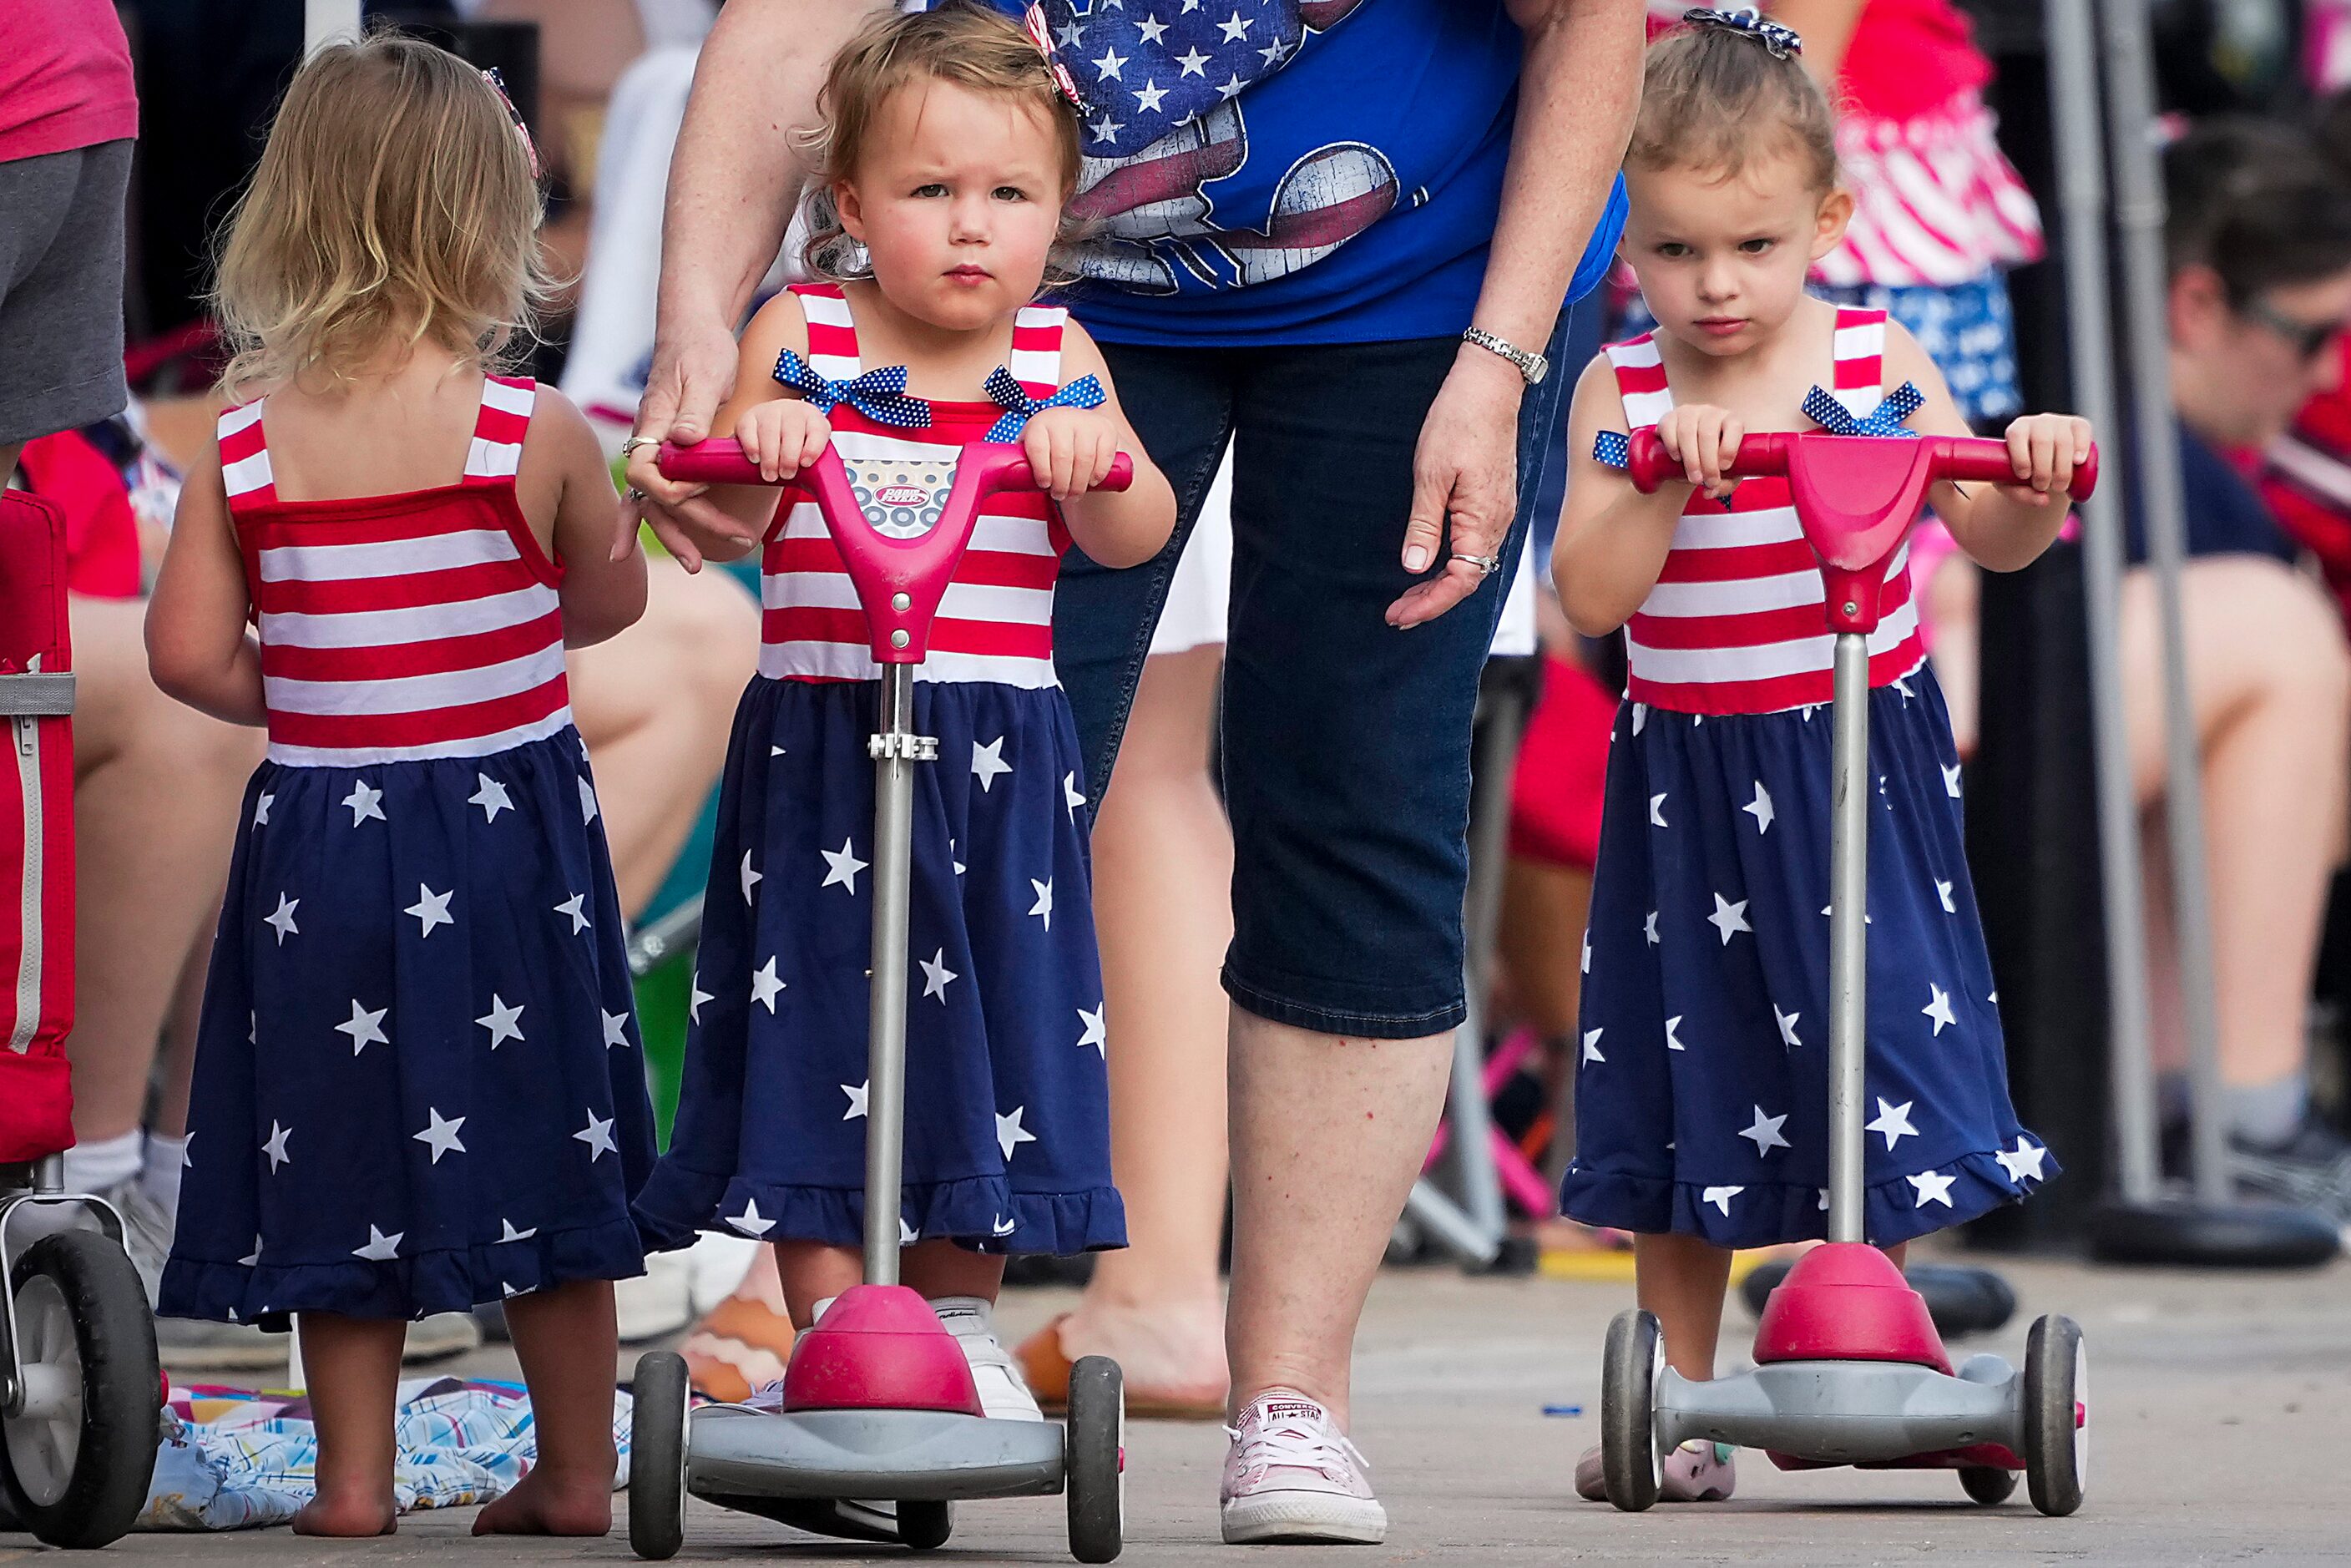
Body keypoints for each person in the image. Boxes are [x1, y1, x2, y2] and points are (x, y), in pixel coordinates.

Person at [629, 0, 1638, 1543]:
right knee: (931, 805)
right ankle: (888, 1321)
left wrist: (1501, 365)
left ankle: (1292, 1400)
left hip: (1420, 279)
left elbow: (1590, 23)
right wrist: (700, 328)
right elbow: (790, 26)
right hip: (1037, 276)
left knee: (1363, 804)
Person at [1548, 13, 2089, 1501]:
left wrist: (2029, 471)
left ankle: (1877, 1325)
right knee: (1691, 1051)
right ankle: (1681, 1395)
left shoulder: (1868, 353)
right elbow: (1592, 595)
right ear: (1625, 248)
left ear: (1828, 222)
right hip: (1694, 778)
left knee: (1882, 1041)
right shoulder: (1625, 390)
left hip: (1863, 755)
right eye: (1672, 252)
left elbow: (1986, 526)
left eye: (1753, 245)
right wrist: (1664, 476)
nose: (1715, 286)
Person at [625, 3, 1175, 1425]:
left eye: (1009, 195)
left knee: (991, 1026)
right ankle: (828, 1319)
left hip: (996, 767)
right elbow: (731, 515)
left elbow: (1141, 532)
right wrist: (765, 440)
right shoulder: (800, 333)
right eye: (931, 192)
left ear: (1061, 211)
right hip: (823, 751)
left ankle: (958, 1314)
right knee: (817, 1023)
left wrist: (1096, 462)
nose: (971, 226)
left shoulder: (1055, 360)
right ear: (853, 203)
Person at [143, 37, 660, 1536]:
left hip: (321, 844)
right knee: (551, 1153)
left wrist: (312, 682)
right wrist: (489, 647)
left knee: (340, 1158)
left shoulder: (246, 441)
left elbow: (185, 654)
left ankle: (353, 1484)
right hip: (504, 834)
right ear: (490, 221)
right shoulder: (526, 430)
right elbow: (611, 601)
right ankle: (572, 1474)